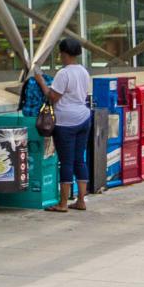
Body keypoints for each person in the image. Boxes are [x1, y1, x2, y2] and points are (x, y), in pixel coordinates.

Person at [42, 38, 93, 213]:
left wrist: (40, 80)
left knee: (66, 162)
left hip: (66, 122)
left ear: (64, 53)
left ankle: (63, 203)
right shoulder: (83, 71)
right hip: (84, 118)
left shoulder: (63, 74)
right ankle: (81, 200)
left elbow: (52, 97)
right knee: (80, 160)